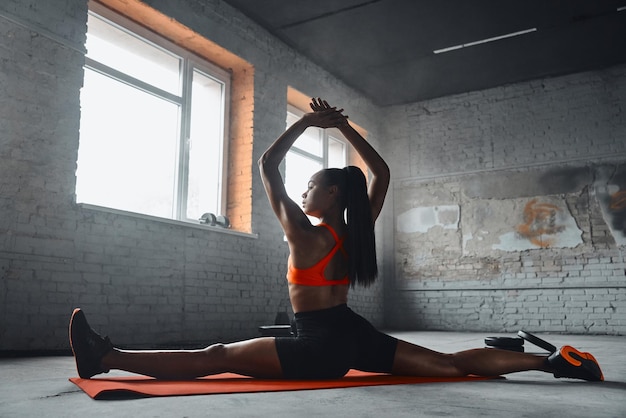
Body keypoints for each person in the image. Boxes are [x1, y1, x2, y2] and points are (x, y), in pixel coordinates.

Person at [69, 98, 603, 382]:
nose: (302, 191)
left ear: (328, 194)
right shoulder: (357, 229)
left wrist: (307, 122)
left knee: (216, 355)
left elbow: (266, 165)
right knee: (448, 365)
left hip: (318, 344)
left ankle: (107, 358)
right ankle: (556, 363)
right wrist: (343, 128)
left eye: (311, 185)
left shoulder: (304, 233)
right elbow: (381, 176)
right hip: (351, 333)